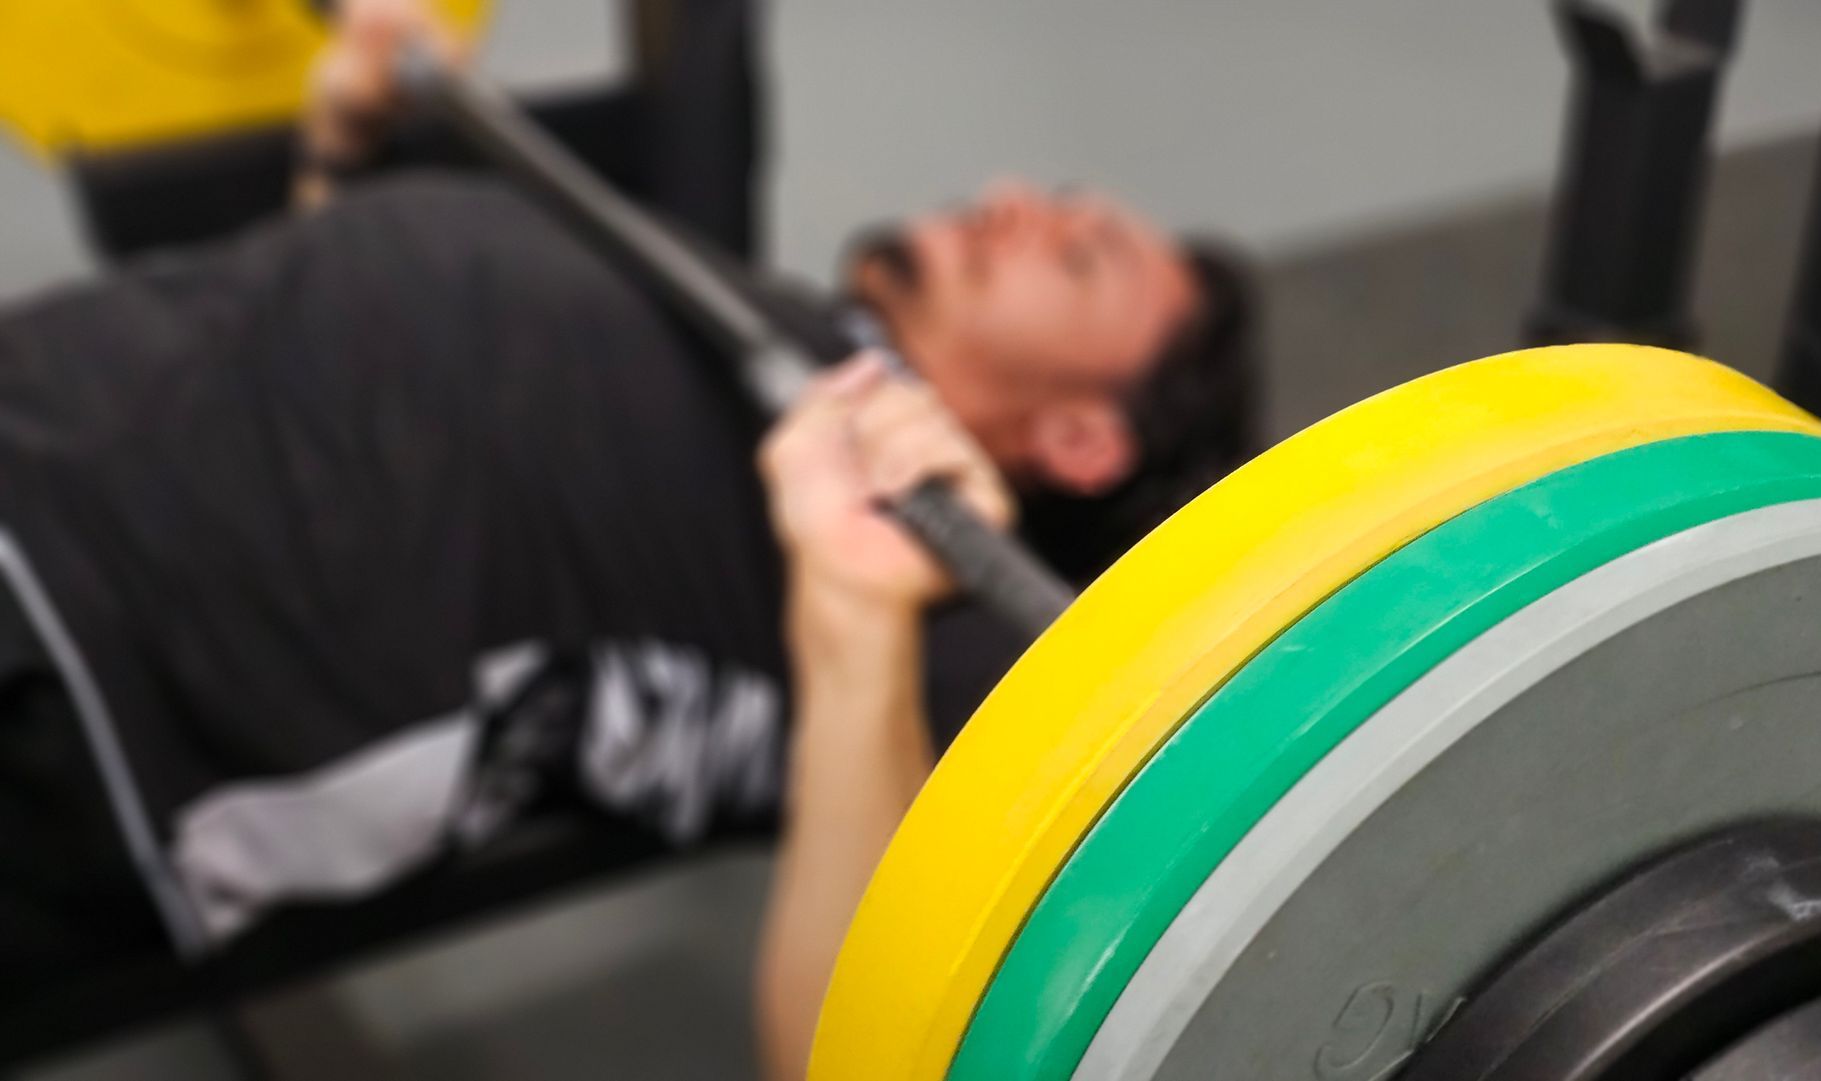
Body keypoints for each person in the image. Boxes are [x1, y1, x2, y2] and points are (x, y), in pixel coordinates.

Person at [0, 0, 1260, 1063]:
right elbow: (328, 367)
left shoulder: (948, 622)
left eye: (1080, 255)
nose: (1019, 202)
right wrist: (345, 150)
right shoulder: (744, 304)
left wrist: (860, 611)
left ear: (1084, 440)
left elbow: (854, 1049)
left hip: (81, 657)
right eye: (1055, 198)